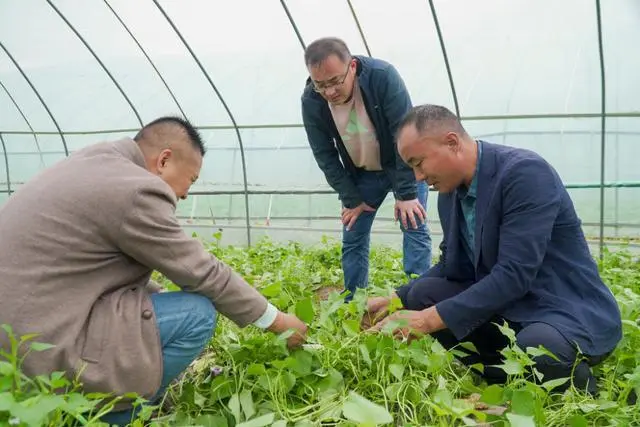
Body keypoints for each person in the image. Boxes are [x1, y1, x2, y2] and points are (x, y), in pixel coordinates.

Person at [0, 117, 308, 425]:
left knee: (161, 307)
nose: (186, 194)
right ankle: (120, 415)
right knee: (197, 314)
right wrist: (277, 320)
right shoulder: (137, 190)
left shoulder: (95, 162)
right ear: (164, 160)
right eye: (191, 179)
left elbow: (102, 271)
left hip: (15, 342)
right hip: (43, 344)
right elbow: (201, 271)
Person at [362, 104, 622, 394]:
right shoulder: (450, 196)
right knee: (423, 294)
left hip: (561, 306)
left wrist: (426, 320)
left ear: (452, 142)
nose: (418, 177)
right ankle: (504, 381)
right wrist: (395, 299)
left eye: (419, 162)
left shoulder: (524, 174)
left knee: (538, 344)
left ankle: (586, 396)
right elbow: (453, 266)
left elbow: (514, 275)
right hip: (513, 306)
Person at [300, 37, 432, 300]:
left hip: (401, 164)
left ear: (353, 66)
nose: (329, 92)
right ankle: (354, 301)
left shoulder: (382, 77)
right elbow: (324, 154)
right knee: (353, 233)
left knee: (414, 225)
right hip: (362, 173)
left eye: (335, 81)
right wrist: (352, 198)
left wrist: (406, 194)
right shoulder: (311, 101)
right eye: (320, 85)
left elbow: (402, 134)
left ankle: (418, 298)